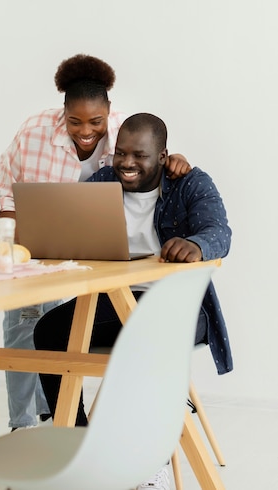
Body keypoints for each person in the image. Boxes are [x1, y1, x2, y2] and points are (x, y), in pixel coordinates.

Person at [0, 58, 191, 431]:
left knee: (55, 312)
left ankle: (55, 415)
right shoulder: (35, 131)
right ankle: (23, 424)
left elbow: (151, 165)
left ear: (108, 113)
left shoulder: (125, 133)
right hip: (11, 220)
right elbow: (4, 191)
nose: (85, 131)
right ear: (62, 112)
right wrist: (14, 239)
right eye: (75, 121)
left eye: (95, 122)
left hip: (72, 227)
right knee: (22, 321)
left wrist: (174, 161)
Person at [34, 112, 233, 490]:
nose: (126, 163)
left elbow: (219, 232)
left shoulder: (190, 183)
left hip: (179, 306)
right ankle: (78, 444)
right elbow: (70, 228)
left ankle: (148, 460)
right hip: (116, 300)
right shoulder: (102, 182)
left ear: (162, 156)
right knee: (49, 330)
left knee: (148, 339)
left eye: (139, 155)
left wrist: (195, 244)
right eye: (120, 153)